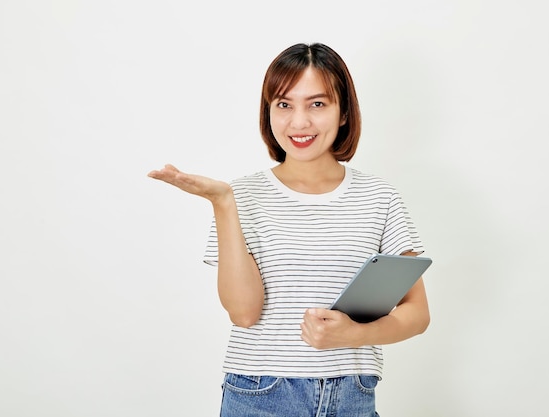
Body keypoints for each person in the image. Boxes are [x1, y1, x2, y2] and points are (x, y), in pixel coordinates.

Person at [148, 42, 430, 417]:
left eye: (317, 104)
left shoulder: (380, 198)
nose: (299, 123)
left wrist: (355, 335)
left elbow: (417, 314)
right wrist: (223, 204)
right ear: (269, 112)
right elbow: (243, 313)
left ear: (343, 112)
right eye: (284, 104)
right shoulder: (240, 196)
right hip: (259, 395)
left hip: (352, 397)